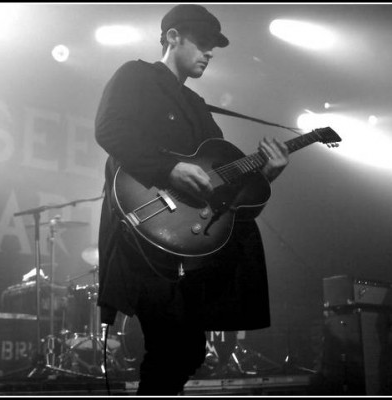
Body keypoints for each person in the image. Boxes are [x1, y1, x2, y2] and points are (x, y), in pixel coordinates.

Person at [94, 4, 289, 395]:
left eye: (213, 46)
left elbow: (222, 185)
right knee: (173, 343)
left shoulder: (197, 107)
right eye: (202, 42)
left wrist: (264, 177)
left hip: (184, 243)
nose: (210, 52)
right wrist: (167, 169)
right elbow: (109, 130)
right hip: (140, 228)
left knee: (186, 348)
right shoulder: (135, 76)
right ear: (171, 37)